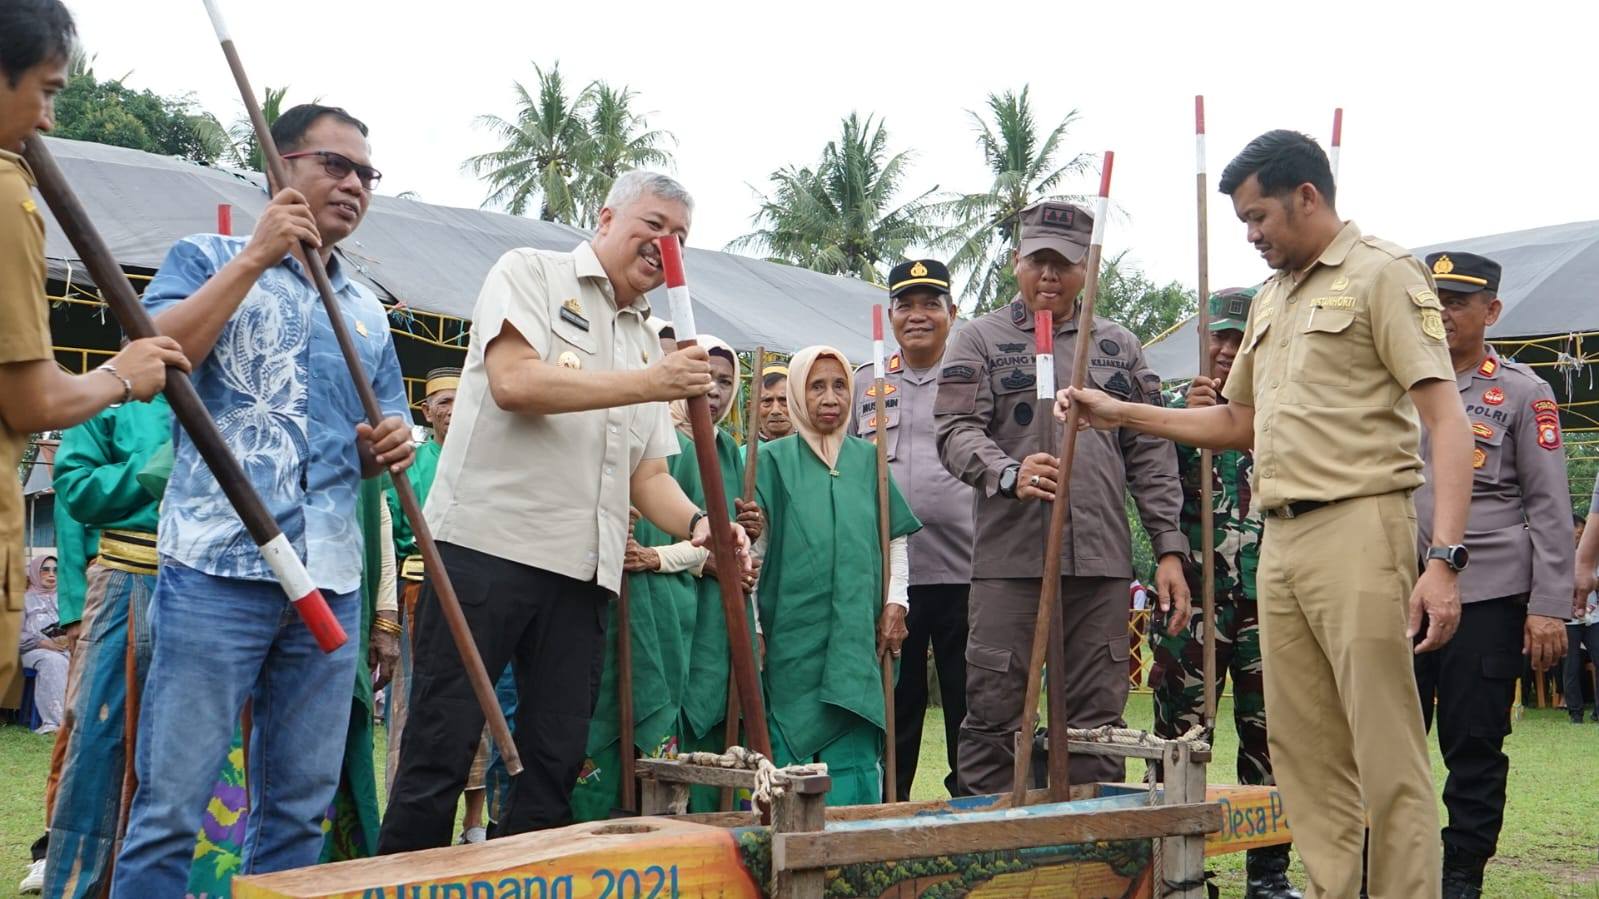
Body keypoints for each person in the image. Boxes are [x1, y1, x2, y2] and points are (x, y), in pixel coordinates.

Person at [1058, 130, 1473, 899]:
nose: (1250, 234)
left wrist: (1444, 557)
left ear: (1306, 196)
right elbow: (1235, 422)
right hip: (1276, 541)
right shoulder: (1272, 298)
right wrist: (1118, 411)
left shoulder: (1382, 274)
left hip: (1359, 524)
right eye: (1243, 221)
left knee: (1385, 748)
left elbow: (1445, 421)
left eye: (1258, 217)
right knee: (1304, 754)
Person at [379, 171, 748, 851]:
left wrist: (701, 525)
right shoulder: (531, 273)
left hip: (581, 577)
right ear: (605, 218)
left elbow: (647, 476)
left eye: (680, 236)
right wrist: (650, 381)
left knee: (555, 762)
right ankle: (397, 884)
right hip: (487, 551)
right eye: (653, 224)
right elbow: (514, 382)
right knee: (440, 749)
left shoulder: (648, 337)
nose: (665, 243)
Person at [111, 103, 414, 895]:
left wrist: (388, 445)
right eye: (335, 165)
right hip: (216, 570)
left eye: (367, 173)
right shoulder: (205, 256)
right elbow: (154, 357)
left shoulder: (366, 309)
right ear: (278, 167)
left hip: (330, 579)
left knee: (300, 809)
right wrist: (255, 256)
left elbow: (380, 432)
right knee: (171, 804)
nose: (354, 185)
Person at [934, 200, 1190, 794]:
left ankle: (1091, 846)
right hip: (1011, 562)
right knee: (995, 717)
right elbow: (954, 431)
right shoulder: (979, 340)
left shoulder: (1119, 347)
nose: (1049, 276)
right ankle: (993, 846)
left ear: (1087, 269)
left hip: (1100, 566)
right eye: (1038, 261)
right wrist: (1008, 472)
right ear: (1016, 261)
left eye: (1065, 263)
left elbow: (1151, 453)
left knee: (1097, 727)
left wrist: (1169, 549)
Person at [0, 0, 188, 715]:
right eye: (46, 91)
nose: (49, 120)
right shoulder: (7, 194)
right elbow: (35, 405)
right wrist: (120, 377)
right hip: (119, 577)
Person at [1410, 251, 1571, 897]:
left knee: (1474, 744)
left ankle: (1460, 877)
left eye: (1456, 302)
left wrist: (1549, 604)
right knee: (1382, 743)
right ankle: (1380, 872)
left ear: (1492, 311)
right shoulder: (1393, 380)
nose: (1442, 313)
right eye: (1432, 301)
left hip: (1486, 593)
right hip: (1397, 592)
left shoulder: (1523, 392)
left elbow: (1549, 505)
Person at [1151, 286, 1301, 899]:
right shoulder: (1171, 413)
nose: (1226, 349)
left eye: (1240, 339)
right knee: (1181, 741)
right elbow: (1150, 493)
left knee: (1273, 738)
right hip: (1193, 602)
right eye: (1218, 336)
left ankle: (1268, 873)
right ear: (1201, 338)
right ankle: (1176, 868)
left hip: (1270, 601)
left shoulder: (1285, 411)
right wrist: (1190, 426)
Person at [573, 334, 761, 819]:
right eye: (705, 377)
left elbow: (722, 536)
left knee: (705, 722)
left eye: (725, 381)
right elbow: (649, 542)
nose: (713, 390)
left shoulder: (729, 450)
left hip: (706, 613)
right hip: (648, 604)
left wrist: (739, 542)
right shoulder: (659, 444)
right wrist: (681, 559)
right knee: (631, 711)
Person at [754, 346, 920, 806]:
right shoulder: (771, 461)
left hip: (857, 637)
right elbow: (754, 554)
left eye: (840, 385)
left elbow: (895, 539)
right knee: (789, 754)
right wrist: (755, 626)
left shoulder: (869, 460)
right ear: (797, 393)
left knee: (856, 751)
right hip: (791, 640)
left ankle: (856, 841)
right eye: (817, 387)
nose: (830, 398)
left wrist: (897, 602)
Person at [852, 259, 973, 801]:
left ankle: (971, 815)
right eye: (906, 305)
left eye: (931, 304)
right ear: (891, 314)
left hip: (967, 572)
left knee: (969, 707)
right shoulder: (866, 381)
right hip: (888, 578)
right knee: (894, 707)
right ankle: (888, 813)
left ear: (952, 312)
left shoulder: (974, 375)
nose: (918, 315)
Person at [42, 394, 168, 898]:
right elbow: (73, 495)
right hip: (126, 579)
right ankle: (80, 885)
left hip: (221, 588)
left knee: (197, 746)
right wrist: (163, 466)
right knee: (99, 737)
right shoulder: (110, 396)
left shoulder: (233, 390)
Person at [381, 365, 508, 844]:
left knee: (481, 702)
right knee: (419, 704)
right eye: (444, 402)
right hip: (421, 593)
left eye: (462, 399)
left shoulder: (491, 462)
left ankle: (474, 822)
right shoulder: (411, 461)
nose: (454, 411)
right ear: (426, 411)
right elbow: (394, 526)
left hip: (481, 594)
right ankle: (411, 818)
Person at [20, 556, 66, 732]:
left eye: (56, 570)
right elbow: (13, 634)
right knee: (53, 661)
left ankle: (85, 719)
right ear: (34, 572)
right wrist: (42, 642)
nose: (51, 574)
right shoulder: (23, 600)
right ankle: (56, 722)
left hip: (66, 648)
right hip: (34, 650)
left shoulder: (66, 598)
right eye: (45, 570)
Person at [1567, 509, 1598, 724]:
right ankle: (1575, 713)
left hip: (1594, 616)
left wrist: (1589, 580)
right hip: (1568, 620)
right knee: (1571, 665)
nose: (1579, 538)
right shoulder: (1559, 555)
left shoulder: (1593, 554)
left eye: (1582, 534)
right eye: (1577, 534)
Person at [757, 365, 794, 441]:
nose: (775, 411)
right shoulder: (745, 449)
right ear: (752, 408)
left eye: (784, 400)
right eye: (767, 401)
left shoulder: (816, 448)